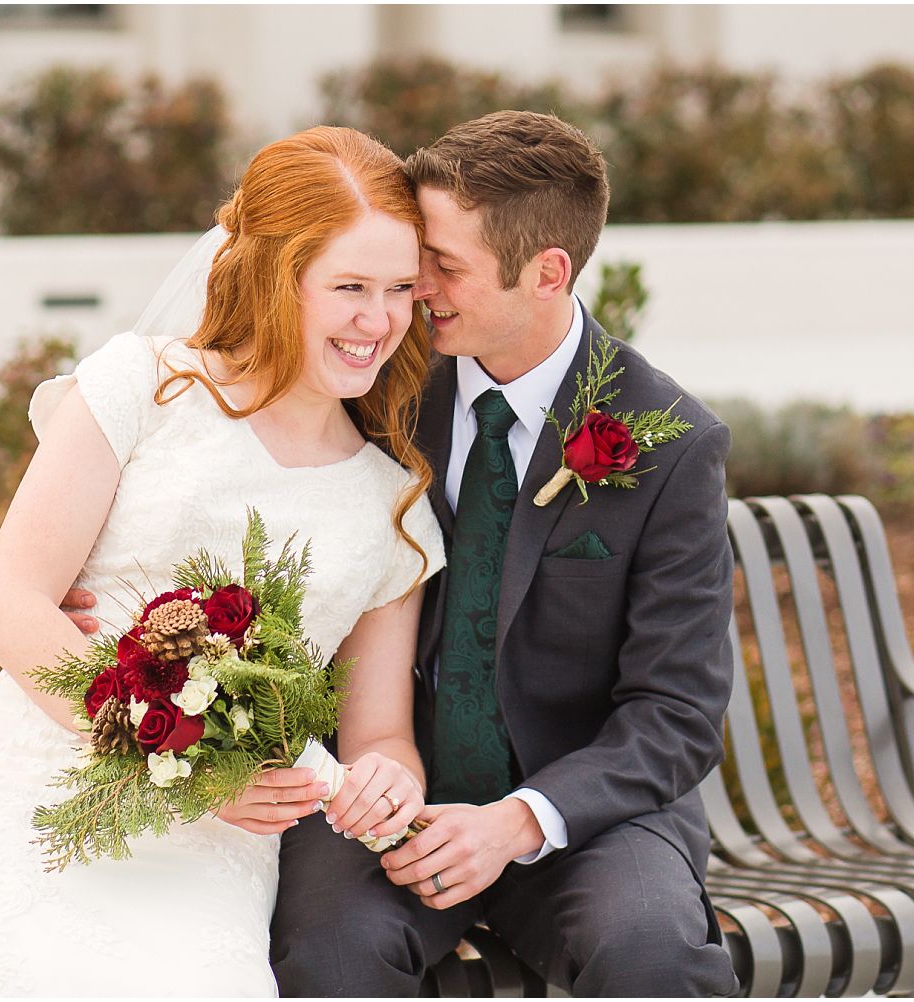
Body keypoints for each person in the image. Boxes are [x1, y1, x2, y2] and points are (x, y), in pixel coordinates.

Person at [0, 126, 446, 996]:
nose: (381, 320)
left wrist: (388, 787)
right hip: (29, 779)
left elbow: (379, 735)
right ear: (275, 278)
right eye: (350, 287)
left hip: (219, 840)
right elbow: (9, 608)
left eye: (401, 289)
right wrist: (196, 767)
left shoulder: (387, 502)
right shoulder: (144, 387)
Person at [268, 111, 740, 996]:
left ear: (548, 271)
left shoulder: (667, 442)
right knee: (328, 953)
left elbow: (675, 717)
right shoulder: (378, 381)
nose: (416, 290)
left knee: (652, 952)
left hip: (587, 818)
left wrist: (521, 822)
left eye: (444, 267)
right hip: (384, 796)